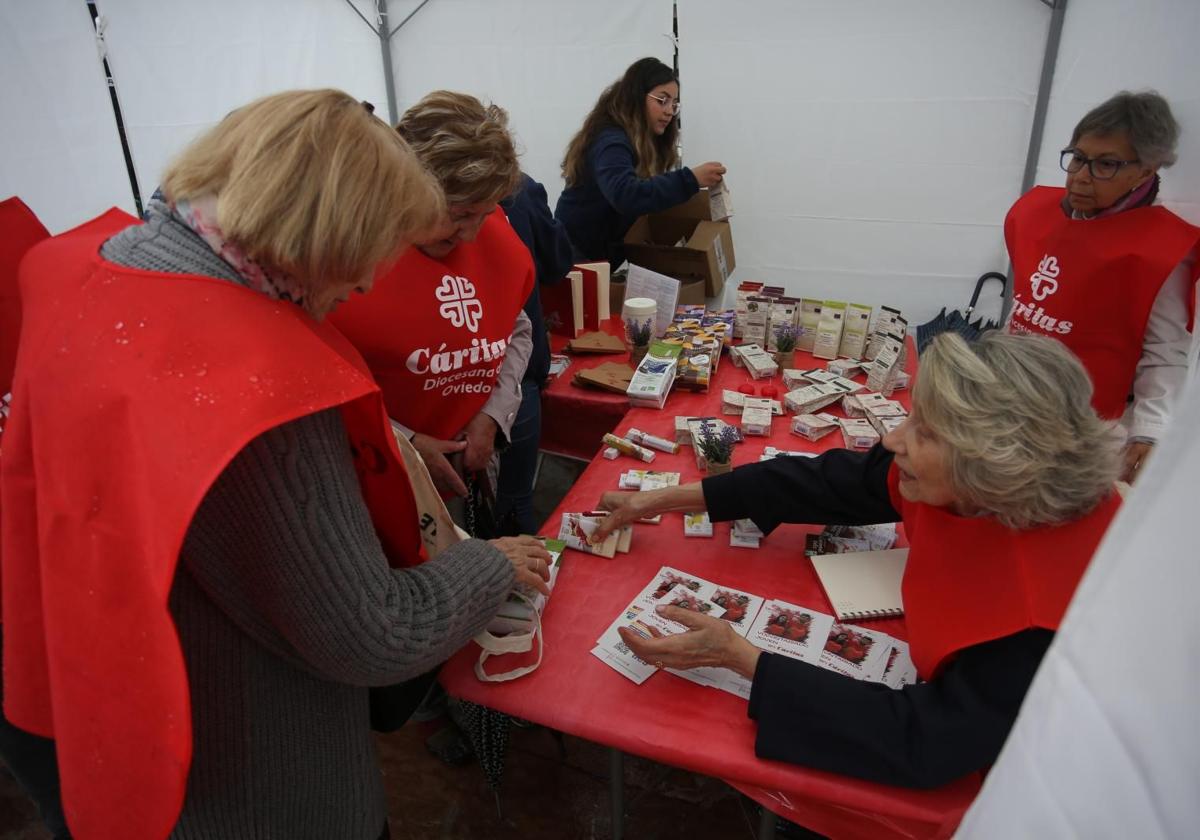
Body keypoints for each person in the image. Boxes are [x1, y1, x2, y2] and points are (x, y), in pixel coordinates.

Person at [0, 89, 551, 840]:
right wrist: (486, 566)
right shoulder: (264, 389)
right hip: (254, 775)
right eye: (369, 262)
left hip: (90, 693)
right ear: (325, 236)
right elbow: (374, 632)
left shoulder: (89, 266)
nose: (362, 289)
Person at [592, 332, 1123, 789]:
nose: (893, 438)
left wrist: (742, 658)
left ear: (993, 467)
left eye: (926, 433)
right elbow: (820, 483)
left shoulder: (1041, 619)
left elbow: (928, 742)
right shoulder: (953, 480)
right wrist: (654, 500)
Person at [330, 91, 535, 502]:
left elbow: (515, 328)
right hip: (369, 476)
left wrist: (492, 415)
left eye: (485, 214)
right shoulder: (342, 257)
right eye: (459, 215)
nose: (472, 235)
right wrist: (405, 441)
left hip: (467, 461)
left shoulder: (491, 235)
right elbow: (316, 386)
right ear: (406, 188)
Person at [1005, 90, 1200, 482]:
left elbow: (1165, 351)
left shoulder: (1156, 249)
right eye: (1077, 157)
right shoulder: (1036, 213)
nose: (1080, 175)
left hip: (1089, 426)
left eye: (1105, 164)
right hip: (1015, 401)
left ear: (1145, 170)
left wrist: (1151, 429)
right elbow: (1025, 303)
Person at [555, 56, 726, 268]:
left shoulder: (634, 143)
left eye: (674, 104)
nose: (669, 111)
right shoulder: (611, 142)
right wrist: (690, 179)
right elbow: (626, 195)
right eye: (662, 100)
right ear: (636, 97)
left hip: (595, 262)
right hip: (575, 263)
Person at [495, 172, 576, 534]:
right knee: (513, 505)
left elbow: (520, 327)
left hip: (511, 367)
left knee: (508, 507)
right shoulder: (519, 189)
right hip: (512, 377)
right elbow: (557, 261)